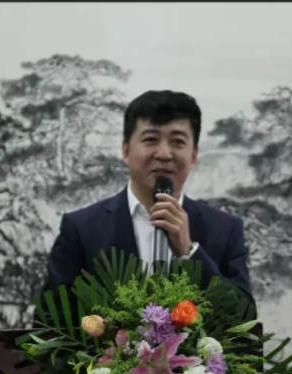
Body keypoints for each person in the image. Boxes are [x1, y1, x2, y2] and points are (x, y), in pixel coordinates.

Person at [37, 90, 256, 324]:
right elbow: (49, 324)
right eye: (150, 140)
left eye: (177, 142)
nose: (164, 153)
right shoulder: (82, 229)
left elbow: (243, 320)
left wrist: (189, 252)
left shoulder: (224, 229)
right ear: (126, 151)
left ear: (193, 156)